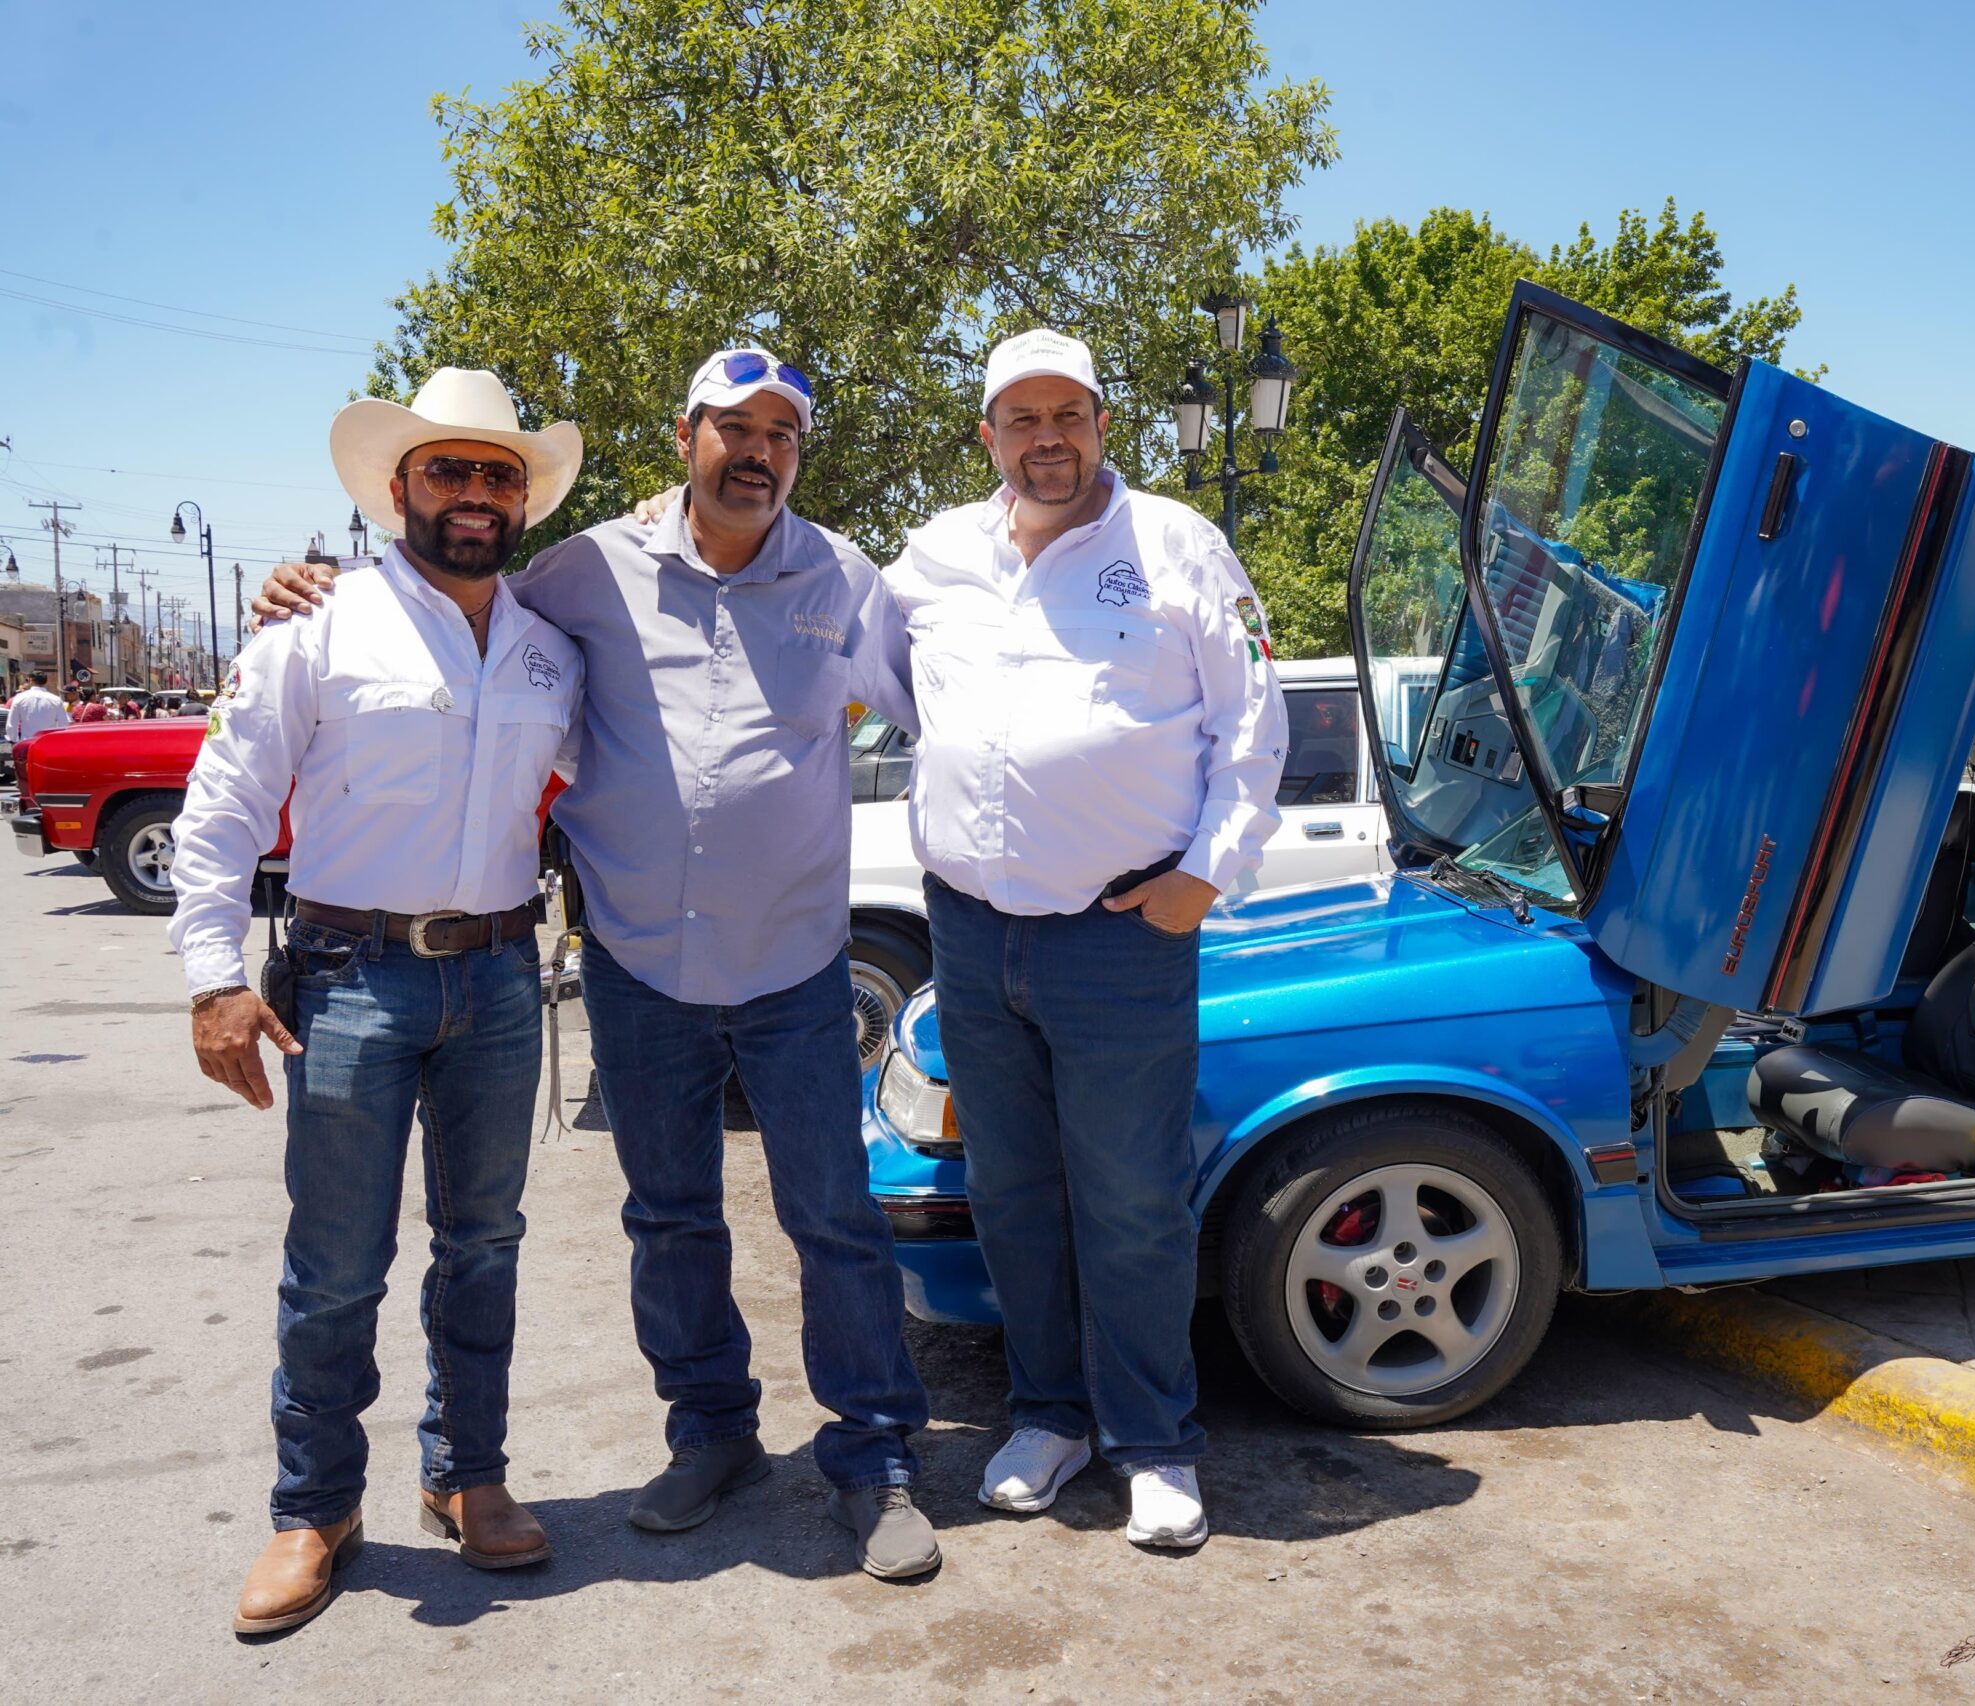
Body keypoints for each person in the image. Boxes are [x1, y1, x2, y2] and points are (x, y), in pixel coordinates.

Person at [254, 347, 940, 1580]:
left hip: (792, 961)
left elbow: (947, 706)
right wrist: (309, 588)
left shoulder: (845, 579)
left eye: (781, 435)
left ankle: (875, 1453)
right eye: (734, 429)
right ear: (685, 437)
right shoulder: (584, 570)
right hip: (636, 959)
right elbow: (455, 607)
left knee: (833, 1214)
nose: (758, 453)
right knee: (667, 1216)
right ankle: (711, 1431)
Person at [171, 368, 585, 1635]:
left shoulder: (550, 649)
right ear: (398, 488)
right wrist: (213, 977)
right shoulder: (315, 624)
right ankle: (314, 1507)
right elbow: (225, 802)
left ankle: (467, 1473)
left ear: (524, 498)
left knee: (485, 1242)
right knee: (336, 1260)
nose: (475, 493)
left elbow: (612, 777)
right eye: (448, 469)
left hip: (500, 977)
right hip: (348, 976)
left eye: (498, 472)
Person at [886, 328, 1285, 1551]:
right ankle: (1048, 1418)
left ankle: (1155, 1443)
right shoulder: (934, 555)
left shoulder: (1178, 543)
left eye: (1069, 414)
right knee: (1011, 1193)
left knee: (1132, 1200)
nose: (1047, 438)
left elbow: (1253, 722)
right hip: (971, 933)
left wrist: (1203, 876)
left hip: (1121, 935)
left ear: (1104, 424)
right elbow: (851, 652)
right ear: (988, 436)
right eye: (1023, 418)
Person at [5, 668, 69, 741]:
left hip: (27, 742)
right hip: (48, 741)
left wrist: (13, 740)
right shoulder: (56, 700)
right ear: (46, 682)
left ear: (31, 680)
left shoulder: (19, 698)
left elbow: (12, 723)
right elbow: (63, 724)